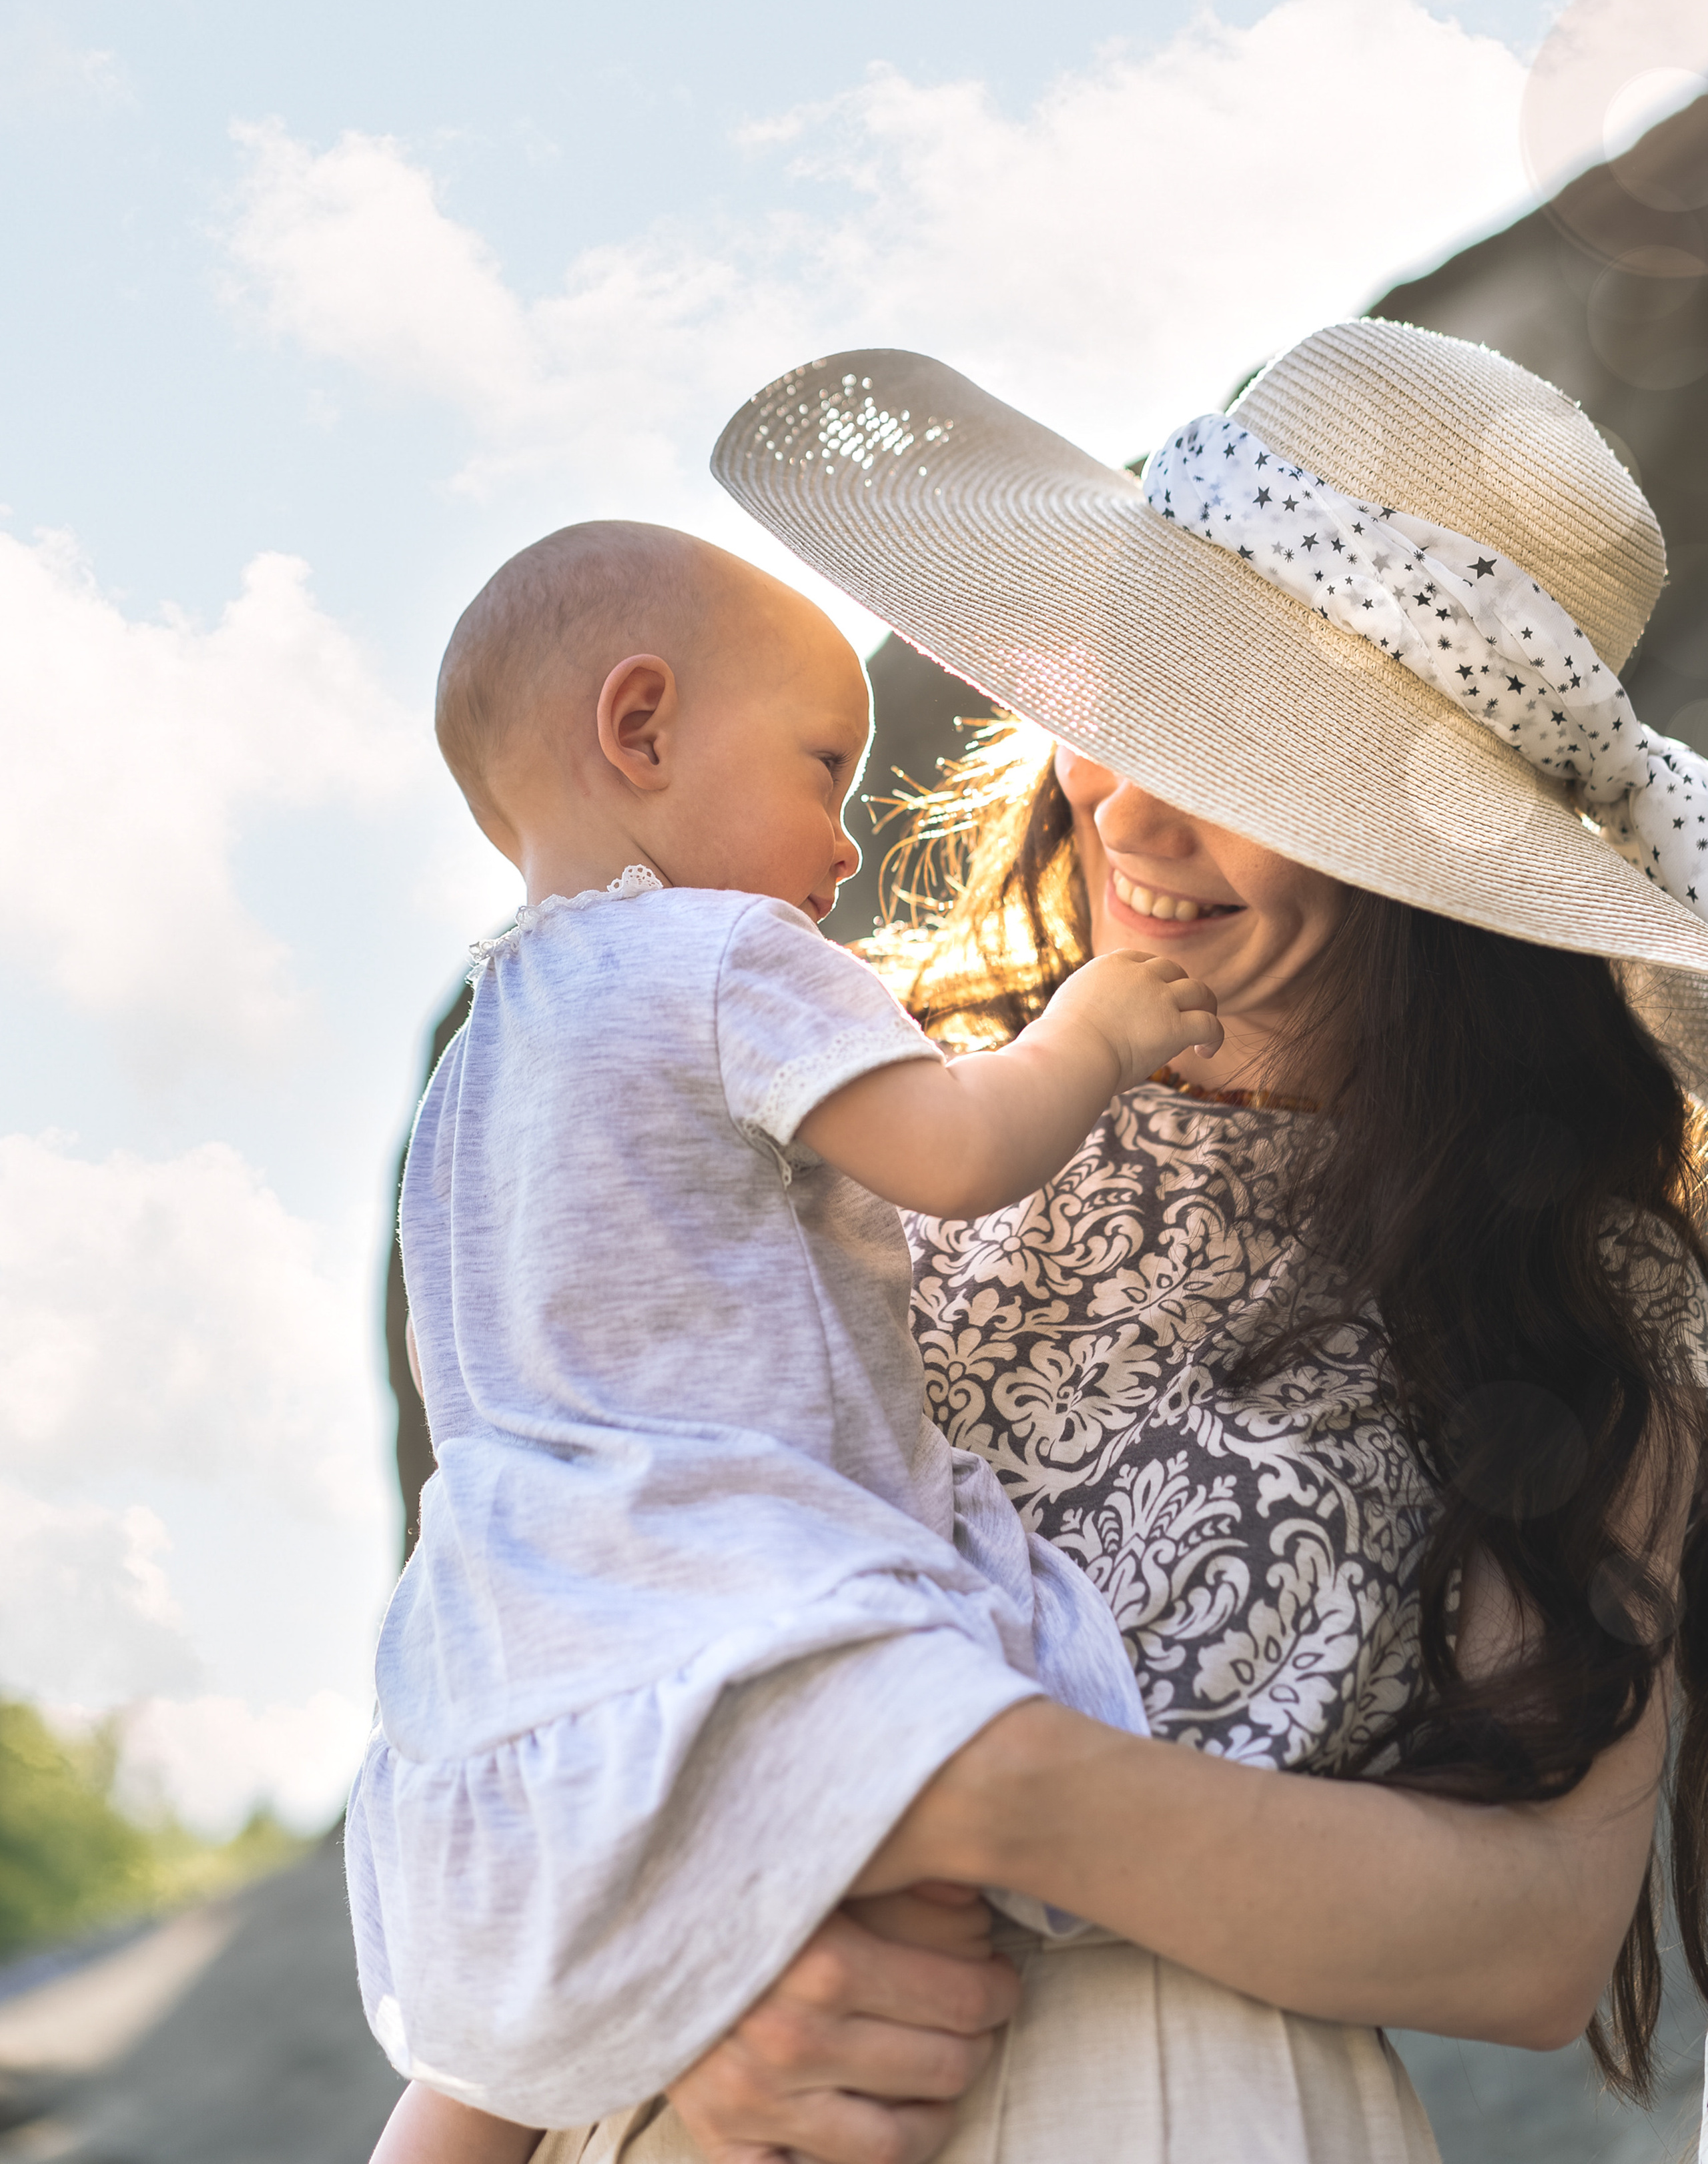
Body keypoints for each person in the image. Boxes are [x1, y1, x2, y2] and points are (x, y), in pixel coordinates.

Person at [526, 320, 1708, 2163]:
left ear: (1436, 853)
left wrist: (996, 1798)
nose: (1135, 809)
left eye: (1258, 757)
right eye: (1139, 708)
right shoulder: (856, 1083)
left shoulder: (1579, 1279)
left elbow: (1542, 1937)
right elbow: (562, 1574)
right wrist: (670, 1995)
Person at [354, 518, 1240, 2161]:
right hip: (733, 1557)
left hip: (518, 1605)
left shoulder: (483, 1054)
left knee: (487, 2053)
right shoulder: (725, 957)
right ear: (642, 730)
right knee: (905, 1897)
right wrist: (1093, 1032)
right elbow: (955, 1152)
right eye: (824, 766)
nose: (841, 845)